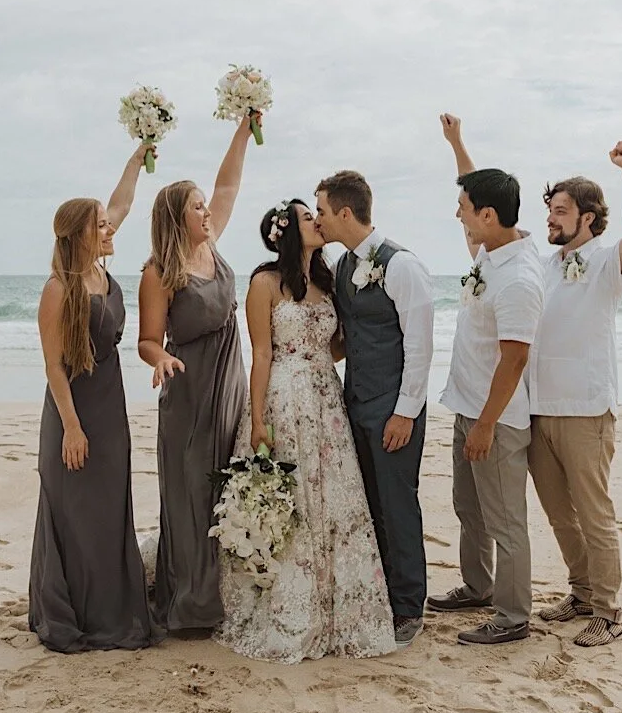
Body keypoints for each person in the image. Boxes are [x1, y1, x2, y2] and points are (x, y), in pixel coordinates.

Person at [213, 200, 396, 663]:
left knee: (333, 496)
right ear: (288, 231)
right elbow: (262, 354)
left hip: (326, 398)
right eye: (307, 217)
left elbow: (333, 348)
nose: (317, 220)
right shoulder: (264, 283)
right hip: (285, 397)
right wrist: (258, 419)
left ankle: (340, 605)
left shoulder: (326, 281)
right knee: (292, 497)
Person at [28, 143, 158, 652]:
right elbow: (53, 367)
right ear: (82, 234)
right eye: (101, 226)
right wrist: (72, 427)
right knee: (77, 513)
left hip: (110, 405)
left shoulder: (101, 269)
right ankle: (77, 612)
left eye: (107, 224)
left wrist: (138, 157)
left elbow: (121, 202)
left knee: (108, 509)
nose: (110, 229)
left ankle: (112, 608)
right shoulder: (59, 289)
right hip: (74, 412)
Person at [137, 116, 260, 632]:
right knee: (191, 496)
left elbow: (228, 185)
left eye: (205, 206)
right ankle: (191, 604)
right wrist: (160, 359)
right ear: (176, 217)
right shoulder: (159, 272)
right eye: (197, 207)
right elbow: (147, 340)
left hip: (229, 386)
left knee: (226, 487)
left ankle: (226, 596)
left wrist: (243, 129)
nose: (208, 211)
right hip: (189, 394)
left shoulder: (212, 244)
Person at [528, 141, 622, 647]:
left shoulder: (604, 263)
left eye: (561, 211)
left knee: (595, 515)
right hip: (539, 410)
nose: (551, 218)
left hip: (586, 410)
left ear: (588, 218)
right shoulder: (544, 265)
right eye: (550, 210)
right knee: (560, 515)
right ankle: (580, 594)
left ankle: (607, 610)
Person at [428, 114, 545, 645]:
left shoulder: (518, 278)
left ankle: (513, 616)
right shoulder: (492, 252)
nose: (458, 215)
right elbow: (476, 194)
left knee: (505, 522)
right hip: (467, 405)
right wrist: (457, 144)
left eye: (464, 208)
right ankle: (478, 586)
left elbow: (514, 360)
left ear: (489, 216)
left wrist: (484, 425)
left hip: (494, 420)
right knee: (468, 509)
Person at [313, 170, 434, 647]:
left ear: (345, 212)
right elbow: (347, 338)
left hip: (393, 409)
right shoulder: (343, 265)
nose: (318, 220)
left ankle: (409, 607)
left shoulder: (402, 266)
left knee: (398, 506)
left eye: (322, 211)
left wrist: (405, 413)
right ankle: (383, 596)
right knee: (371, 506)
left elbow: (420, 348)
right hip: (355, 403)